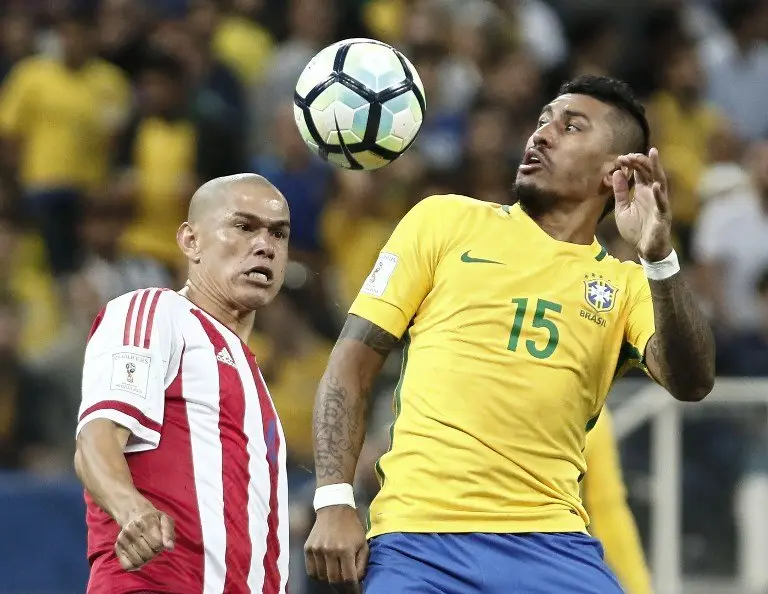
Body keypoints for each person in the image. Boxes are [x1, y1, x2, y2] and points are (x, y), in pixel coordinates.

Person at [304, 74, 715, 593]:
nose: (541, 134)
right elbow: (352, 362)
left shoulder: (628, 285)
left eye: (571, 126)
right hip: (419, 541)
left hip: (553, 544)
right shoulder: (445, 221)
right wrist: (334, 499)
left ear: (616, 172)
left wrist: (659, 258)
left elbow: (693, 381)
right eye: (543, 120)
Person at [74, 174, 291, 593]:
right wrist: (131, 509)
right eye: (244, 227)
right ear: (190, 241)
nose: (265, 245)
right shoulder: (156, 311)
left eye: (278, 233)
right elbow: (95, 439)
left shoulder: (252, 379)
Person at [583, 409, 652, 594]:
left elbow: (607, 510)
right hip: (551, 553)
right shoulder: (591, 412)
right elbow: (607, 509)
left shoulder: (594, 416)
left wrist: (639, 587)